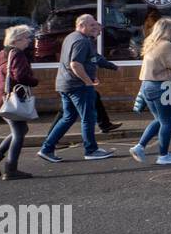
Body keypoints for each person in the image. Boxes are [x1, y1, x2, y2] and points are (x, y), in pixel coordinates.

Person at [37, 14, 115, 163]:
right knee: (88, 118)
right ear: (81, 25)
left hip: (65, 84)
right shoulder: (81, 41)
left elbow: (84, 61)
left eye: (95, 25)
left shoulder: (71, 37)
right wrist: (88, 81)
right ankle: (91, 150)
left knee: (68, 117)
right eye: (91, 25)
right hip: (77, 86)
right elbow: (75, 64)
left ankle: (47, 149)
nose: (94, 27)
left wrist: (91, 76)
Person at [130, 17, 171, 165]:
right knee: (167, 122)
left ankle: (139, 147)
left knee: (159, 119)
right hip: (163, 87)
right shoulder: (167, 46)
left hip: (147, 86)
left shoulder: (150, 44)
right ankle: (163, 156)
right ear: (168, 30)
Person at [0, 25, 39, 179]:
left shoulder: (4, 53)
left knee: (20, 131)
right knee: (19, 132)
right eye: (27, 38)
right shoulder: (17, 54)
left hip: (1, 97)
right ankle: (10, 169)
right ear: (17, 40)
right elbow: (20, 76)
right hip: (10, 99)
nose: (29, 41)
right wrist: (34, 81)